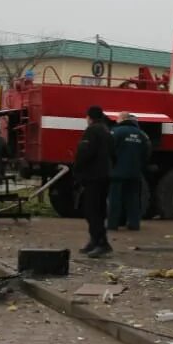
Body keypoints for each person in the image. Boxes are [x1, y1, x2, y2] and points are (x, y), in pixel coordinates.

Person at [73, 105, 113, 257]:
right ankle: (95, 240)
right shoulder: (106, 130)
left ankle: (101, 243)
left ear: (89, 117)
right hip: (104, 175)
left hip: (93, 176)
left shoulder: (92, 131)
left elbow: (84, 153)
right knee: (99, 209)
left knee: (91, 211)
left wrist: (77, 170)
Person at [108, 112, 151, 238]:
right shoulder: (142, 135)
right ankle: (134, 224)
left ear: (122, 119)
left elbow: (109, 150)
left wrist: (111, 165)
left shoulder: (115, 132)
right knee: (133, 199)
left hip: (117, 172)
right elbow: (147, 153)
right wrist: (140, 165)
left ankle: (112, 224)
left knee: (115, 199)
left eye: (118, 119)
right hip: (135, 173)